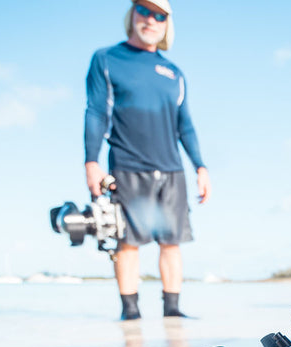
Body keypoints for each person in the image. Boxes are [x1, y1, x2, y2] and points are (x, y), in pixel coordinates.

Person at [84, 0, 210, 320]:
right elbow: (96, 112)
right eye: (144, 10)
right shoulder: (107, 59)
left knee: (172, 243)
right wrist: (91, 161)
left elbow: (186, 125)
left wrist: (200, 166)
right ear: (132, 14)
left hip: (171, 169)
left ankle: (172, 311)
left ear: (167, 23)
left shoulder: (175, 73)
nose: (151, 19)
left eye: (160, 15)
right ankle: (130, 315)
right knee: (128, 243)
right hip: (127, 165)